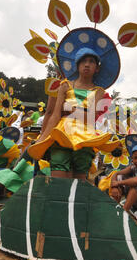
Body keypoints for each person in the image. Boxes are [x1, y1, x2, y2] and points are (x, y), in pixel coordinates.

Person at [28, 47, 119, 180]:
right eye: (83, 61)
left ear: (97, 68)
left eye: (91, 61)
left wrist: (70, 109)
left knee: (79, 183)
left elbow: (90, 118)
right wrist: (42, 138)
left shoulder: (99, 91)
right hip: (61, 133)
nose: (87, 64)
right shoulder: (65, 85)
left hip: (85, 137)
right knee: (58, 177)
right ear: (77, 65)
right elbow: (55, 114)